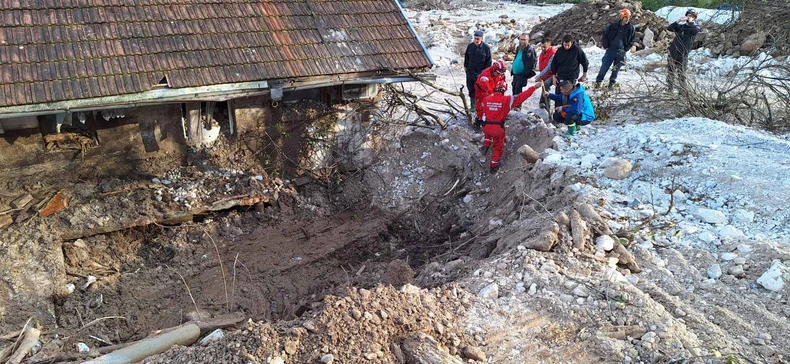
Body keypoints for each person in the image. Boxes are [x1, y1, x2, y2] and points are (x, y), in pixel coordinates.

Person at [479, 81, 543, 173]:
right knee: (498, 146)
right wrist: (534, 87)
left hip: (485, 126)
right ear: (504, 90)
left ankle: (486, 145)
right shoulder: (507, 100)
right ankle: (494, 166)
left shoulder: (486, 99)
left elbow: (484, 111)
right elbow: (522, 96)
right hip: (497, 128)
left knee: (489, 132)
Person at [595, 8, 636, 90]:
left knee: (616, 69)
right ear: (621, 17)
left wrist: (625, 50)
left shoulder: (631, 28)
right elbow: (605, 36)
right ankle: (598, 82)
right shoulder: (613, 26)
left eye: (628, 18)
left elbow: (632, 40)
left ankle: (611, 84)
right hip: (611, 50)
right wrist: (606, 46)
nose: (627, 20)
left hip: (621, 52)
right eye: (625, 18)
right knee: (604, 67)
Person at [666, 9, 701, 93]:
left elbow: (695, 30)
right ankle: (670, 89)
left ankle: (681, 92)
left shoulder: (694, 28)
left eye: (692, 16)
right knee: (671, 72)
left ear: (695, 18)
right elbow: (670, 28)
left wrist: (691, 22)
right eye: (688, 15)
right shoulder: (681, 27)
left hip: (683, 54)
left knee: (681, 73)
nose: (690, 17)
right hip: (673, 52)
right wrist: (678, 21)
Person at [549, 34, 588, 108]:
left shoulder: (577, 50)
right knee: (559, 95)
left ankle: (567, 113)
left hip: (572, 76)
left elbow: (584, 62)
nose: (566, 47)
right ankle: (557, 113)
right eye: (565, 45)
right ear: (562, 43)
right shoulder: (560, 50)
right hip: (561, 76)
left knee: (569, 96)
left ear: (572, 42)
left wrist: (584, 74)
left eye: (568, 45)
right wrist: (554, 76)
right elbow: (554, 63)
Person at [473, 60, 507, 131]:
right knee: (481, 108)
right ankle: (478, 123)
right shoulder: (485, 75)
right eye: (497, 73)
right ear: (494, 70)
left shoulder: (500, 73)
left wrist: (502, 87)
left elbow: (503, 80)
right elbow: (485, 86)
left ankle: (493, 122)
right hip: (482, 92)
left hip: (492, 90)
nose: (499, 75)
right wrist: (492, 94)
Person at [464, 31, 492, 110]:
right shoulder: (470, 46)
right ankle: (473, 108)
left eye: (478, 39)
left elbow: (488, 62)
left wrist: (485, 74)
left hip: (481, 74)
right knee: (471, 90)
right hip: (470, 73)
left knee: (481, 91)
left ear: (482, 39)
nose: (476, 40)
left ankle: (481, 108)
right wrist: (466, 68)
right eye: (475, 38)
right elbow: (466, 58)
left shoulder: (486, 48)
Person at [535, 36, 557, 109]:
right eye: (542, 47)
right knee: (543, 86)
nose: (542, 48)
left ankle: (546, 105)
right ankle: (542, 102)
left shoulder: (553, 53)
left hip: (552, 74)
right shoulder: (543, 52)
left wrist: (540, 75)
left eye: (544, 47)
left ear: (549, 45)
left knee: (546, 84)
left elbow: (549, 66)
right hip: (544, 74)